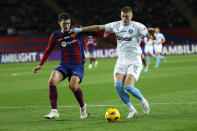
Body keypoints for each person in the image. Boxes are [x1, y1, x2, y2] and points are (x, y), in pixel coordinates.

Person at [72, 6, 155, 118]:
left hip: (134, 60)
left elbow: (150, 36)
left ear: (131, 16)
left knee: (129, 86)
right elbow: (98, 27)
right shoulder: (116, 25)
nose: (124, 18)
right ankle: (132, 109)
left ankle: (143, 101)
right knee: (118, 86)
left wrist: (152, 34)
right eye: (123, 16)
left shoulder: (138, 26)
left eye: (127, 16)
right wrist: (80, 29)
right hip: (121, 60)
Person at [33, 13, 89, 119]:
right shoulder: (55, 35)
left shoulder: (76, 30)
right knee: (52, 80)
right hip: (64, 64)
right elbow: (49, 49)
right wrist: (40, 64)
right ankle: (54, 111)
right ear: (59, 23)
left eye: (68, 23)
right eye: (64, 24)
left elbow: (91, 31)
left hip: (77, 65)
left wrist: (105, 33)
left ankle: (82, 106)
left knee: (73, 86)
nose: (67, 26)